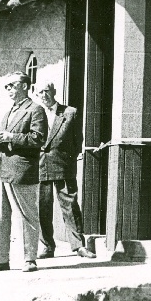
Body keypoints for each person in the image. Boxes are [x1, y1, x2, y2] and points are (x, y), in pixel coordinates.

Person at [0, 72, 47, 273]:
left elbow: (38, 139)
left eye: (12, 85)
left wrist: (11, 136)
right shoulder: (9, 111)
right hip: (1, 170)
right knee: (0, 218)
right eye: (7, 87)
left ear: (25, 86)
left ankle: (29, 259)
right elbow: (6, 139)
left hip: (21, 170)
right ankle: (1, 259)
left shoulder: (35, 109)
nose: (9, 89)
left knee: (27, 216)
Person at [35, 81, 96, 260]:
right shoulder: (35, 113)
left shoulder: (70, 113)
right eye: (40, 92)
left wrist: (68, 158)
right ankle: (47, 246)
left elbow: (78, 141)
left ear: (53, 92)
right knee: (42, 208)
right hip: (39, 167)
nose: (44, 95)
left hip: (63, 165)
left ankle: (79, 246)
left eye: (46, 91)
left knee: (70, 206)